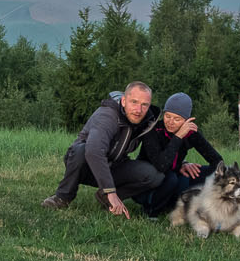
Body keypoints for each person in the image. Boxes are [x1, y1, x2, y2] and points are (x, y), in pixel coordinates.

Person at [41, 81, 163, 216]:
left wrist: (181, 162)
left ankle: (106, 199)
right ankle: (62, 197)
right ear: (124, 101)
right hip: (85, 165)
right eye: (134, 102)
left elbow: (156, 149)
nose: (138, 110)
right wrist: (110, 190)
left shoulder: (147, 121)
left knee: (154, 175)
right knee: (82, 150)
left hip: (114, 165)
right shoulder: (107, 115)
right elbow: (94, 151)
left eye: (144, 104)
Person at [136, 91, 225, 218]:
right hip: (148, 181)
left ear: (187, 120)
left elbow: (217, 161)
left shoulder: (191, 132)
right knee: (172, 178)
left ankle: (206, 205)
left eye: (177, 119)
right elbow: (161, 166)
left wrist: (185, 165)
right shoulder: (154, 130)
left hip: (173, 174)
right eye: (167, 116)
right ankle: (151, 209)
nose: (170, 122)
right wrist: (178, 136)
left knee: (214, 172)